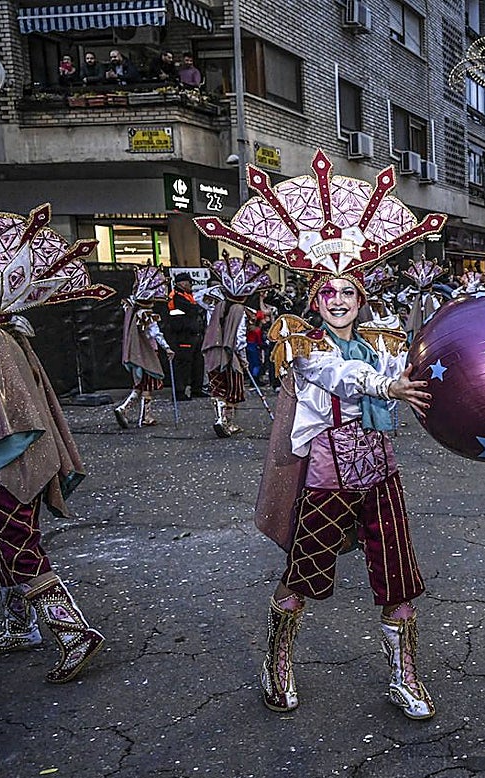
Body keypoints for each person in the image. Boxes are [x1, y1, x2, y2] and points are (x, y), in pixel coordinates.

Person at [195, 149, 449, 717]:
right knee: (306, 571)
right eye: (328, 292)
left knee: (398, 577)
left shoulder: (384, 339)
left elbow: (404, 381)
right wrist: (386, 389)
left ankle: (404, 677)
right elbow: (341, 376)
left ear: (361, 299)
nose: (338, 299)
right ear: (316, 300)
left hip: (380, 470)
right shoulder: (299, 341)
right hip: (327, 473)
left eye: (348, 292)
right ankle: (277, 661)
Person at [0, 190, 111, 680]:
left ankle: (72, 631)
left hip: (4, 459)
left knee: (13, 538)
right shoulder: (1, 328)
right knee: (1, 538)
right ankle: (21, 623)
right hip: (11, 454)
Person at [202, 253, 273, 437]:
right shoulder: (239, 310)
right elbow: (239, 338)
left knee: (217, 386)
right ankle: (228, 422)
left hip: (211, 351)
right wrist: (243, 359)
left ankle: (220, 418)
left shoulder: (217, 306)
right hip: (229, 354)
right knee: (233, 389)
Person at [114, 265, 174, 428]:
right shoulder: (146, 315)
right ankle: (143, 415)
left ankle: (125, 409)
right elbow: (154, 333)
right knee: (147, 385)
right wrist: (167, 348)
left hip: (136, 353)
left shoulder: (133, 312)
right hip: (147, 353)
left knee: (139, 385)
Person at [166, 274, 208, 400]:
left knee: (197, 363)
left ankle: (197, 388)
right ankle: (180, 391)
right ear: (181, 283)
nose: (191, 285)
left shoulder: (189, 296)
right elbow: (190, 310)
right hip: (182, 336)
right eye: (189, 282)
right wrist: (196, 309)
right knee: (183, 364)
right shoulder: (175, 297)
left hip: (194, 334)